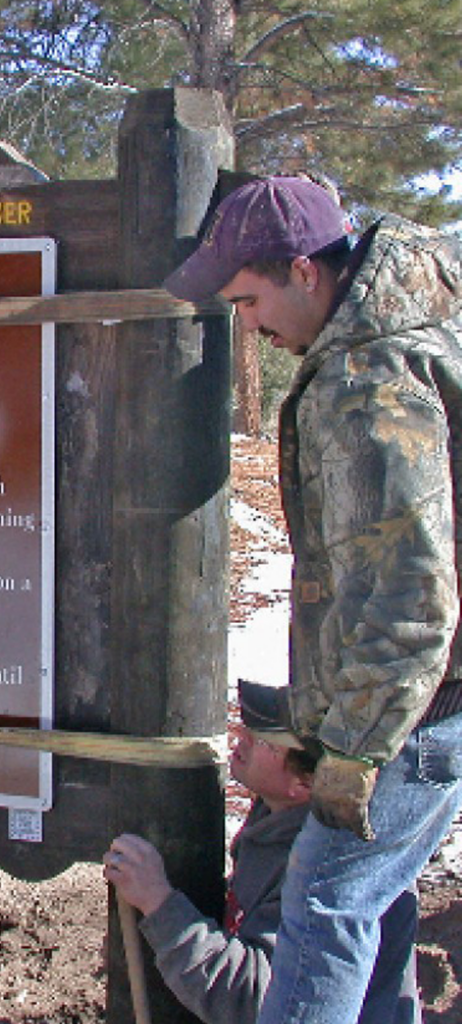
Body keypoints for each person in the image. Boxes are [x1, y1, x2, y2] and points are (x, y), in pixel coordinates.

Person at [164, 174, 462, 1023]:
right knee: (375, 902)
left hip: (413, 714)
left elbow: (412, 589)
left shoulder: (368, 383)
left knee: (324, 905)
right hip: (419, 705)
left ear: (306, 271)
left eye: (251, 300)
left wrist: (354, 756)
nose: (249, 327)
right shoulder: (409, 333)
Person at [103, 679, 420, 1023]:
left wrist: (158, 904)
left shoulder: (328, 872)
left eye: (267, 739)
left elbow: (255, 1002)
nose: (243, 734)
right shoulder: (281, 815)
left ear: (307, 783)